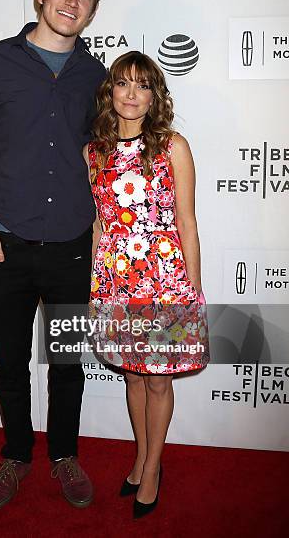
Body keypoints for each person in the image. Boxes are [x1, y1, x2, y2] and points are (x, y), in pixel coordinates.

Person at [0, 0, 106, 510]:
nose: (72, 1)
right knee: (10, 364)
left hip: (72, 249)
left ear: (93, 10)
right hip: (5, 248)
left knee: (67, 365)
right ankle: (16, 456)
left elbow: (114, 156)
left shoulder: (97, 76)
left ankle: (64, 454)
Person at [86, 51, 209, 518]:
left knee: (158, 384)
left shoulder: (172, 146)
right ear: (110, 91)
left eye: (143, 85)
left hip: (164, 281)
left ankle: (153, 468)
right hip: (117, 280)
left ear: (155, 94)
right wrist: (95, 288)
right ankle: (139, 458)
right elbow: (100, 225)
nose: (132, 94)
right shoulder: (93, 152)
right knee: (134, 376)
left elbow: (188, 223)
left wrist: (192, 296)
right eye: (122, 83)